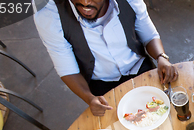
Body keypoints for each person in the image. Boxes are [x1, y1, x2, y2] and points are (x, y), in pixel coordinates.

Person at [34, 0, 178, 117]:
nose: (85, 3)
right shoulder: (49, 16)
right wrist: (89, 98)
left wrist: (161, 57)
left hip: (140, 67)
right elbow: (67, 68)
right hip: (101, 84)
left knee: (164, 113)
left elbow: (149, 35)